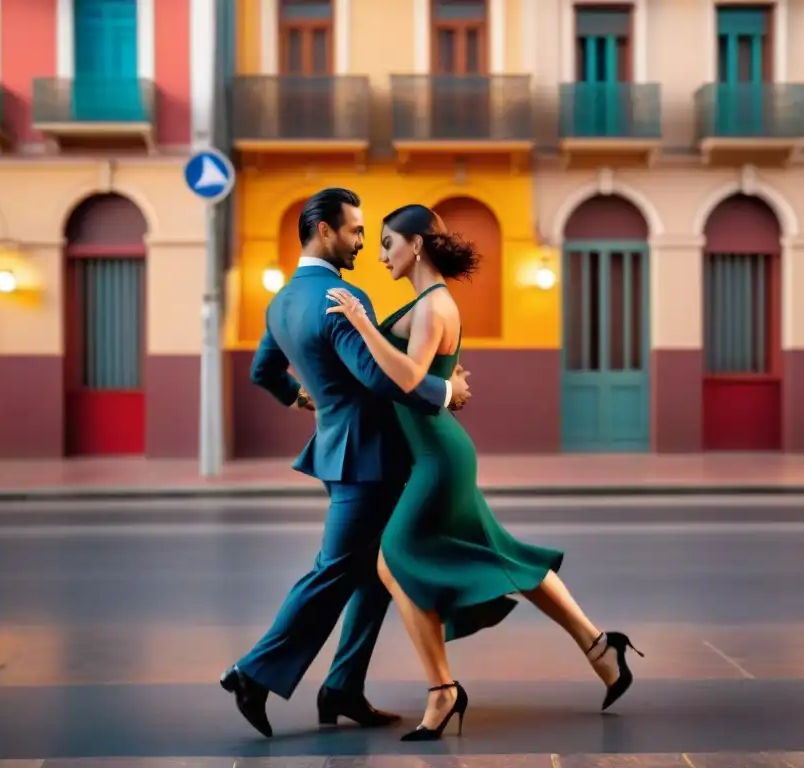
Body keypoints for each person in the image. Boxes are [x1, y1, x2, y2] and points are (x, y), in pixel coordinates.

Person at [325, 203, 642, 742]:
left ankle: (442, 691)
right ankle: (599, 646)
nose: (380, 255)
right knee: (498, 554)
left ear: (417, 244)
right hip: (436, 451)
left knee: (394, 562)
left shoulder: (433, 305)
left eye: (387, 244)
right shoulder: (427, 303)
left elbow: (407, 377)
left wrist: (360, 324)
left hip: (438, 459)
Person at [219, 188, 473, 738]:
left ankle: (343, 686)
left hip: (338, 446)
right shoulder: (340, 296)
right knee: (336, 567)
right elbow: (386, 379)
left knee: (375, 571)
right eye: (356, 231)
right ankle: (252, 673)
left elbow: (264, 371)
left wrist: (305, 397)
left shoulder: (282, 300)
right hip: (370, 456)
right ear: (325, 231)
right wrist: (447, 391)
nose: (362, 242)